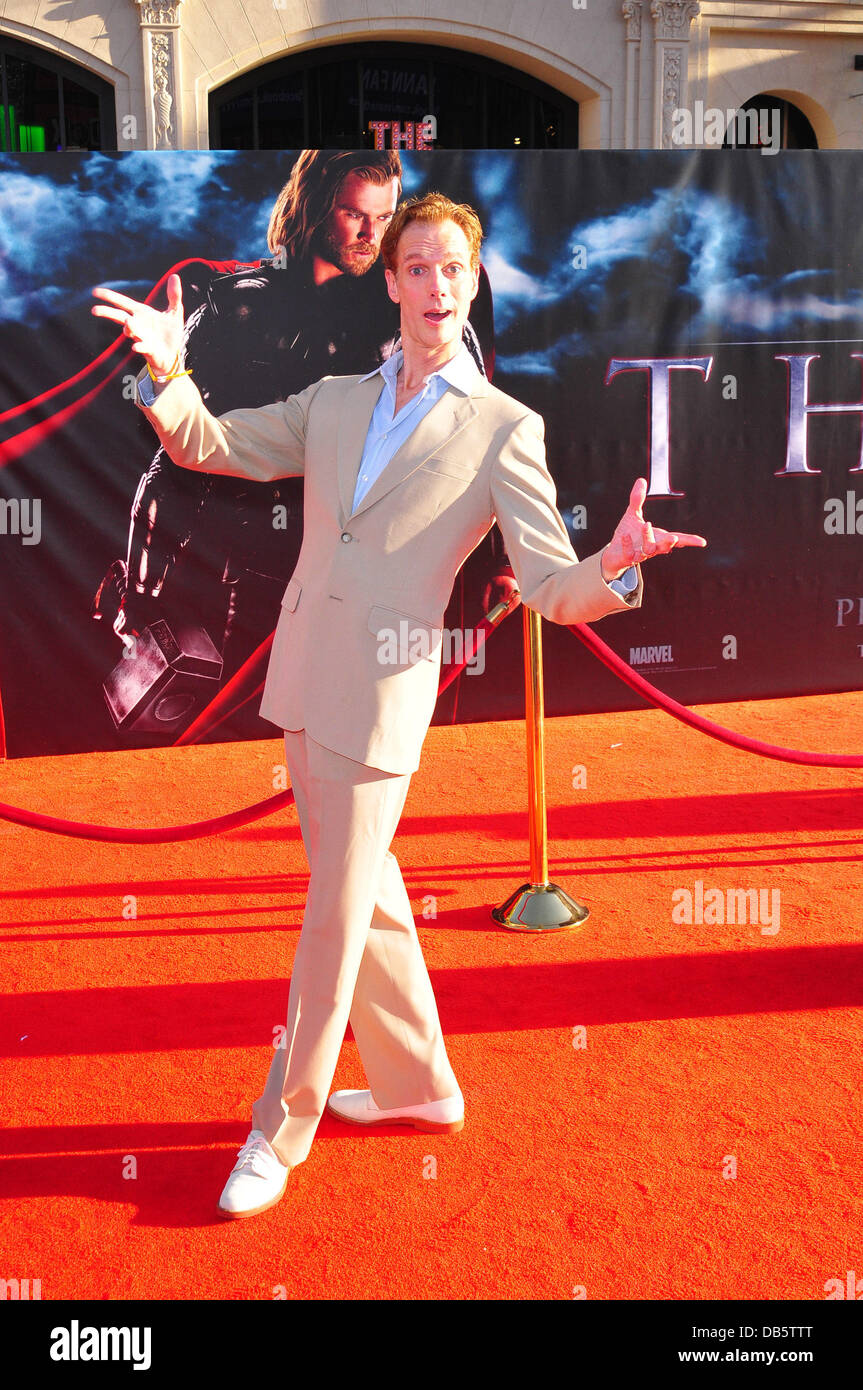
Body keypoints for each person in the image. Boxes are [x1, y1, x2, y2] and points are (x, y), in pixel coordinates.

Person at [92, 191, 706, 1220]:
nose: (435, 285)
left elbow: (550, 589)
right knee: (363, 891)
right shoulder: (333, 401)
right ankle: (423, 1085)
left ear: (470, 284)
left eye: (452, 268)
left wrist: (617, 564)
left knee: (328, 917)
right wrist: (168, 367)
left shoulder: (504, 428)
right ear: (391, 282)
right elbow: (208, 445)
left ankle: (277, 1128)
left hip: (380, 703)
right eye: (415, 266)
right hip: (304, 681)